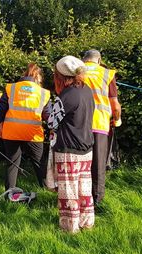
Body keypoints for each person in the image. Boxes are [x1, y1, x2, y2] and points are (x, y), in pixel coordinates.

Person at [51, 56, 95, 233]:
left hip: (68, 149)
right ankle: (87, 223)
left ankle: (70, 227)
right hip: (86, 147)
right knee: (84, 189)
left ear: (60, 76)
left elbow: (52, 122)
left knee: (68, 189)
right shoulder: (87, 90)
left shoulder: (66, 95)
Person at [0, 63, 50, 190]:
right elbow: (48, 114)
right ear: (38, 77)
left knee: (12, 162)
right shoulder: (43, 93)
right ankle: (46, 189)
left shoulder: (11, 88)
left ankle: (9, 192)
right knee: (39, 162)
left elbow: (2, 106)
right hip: (32, 133)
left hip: (11, 131)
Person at [82, 49, 122, 206]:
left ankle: (79, 197)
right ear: (99, 60)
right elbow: (115, 105)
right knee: (98, 165)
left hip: (78, 125)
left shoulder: (76, 71)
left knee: (80, 162)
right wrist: (117, 119)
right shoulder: (107, 74)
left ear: (84, 60)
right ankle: (97, 201)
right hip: (99, 124)